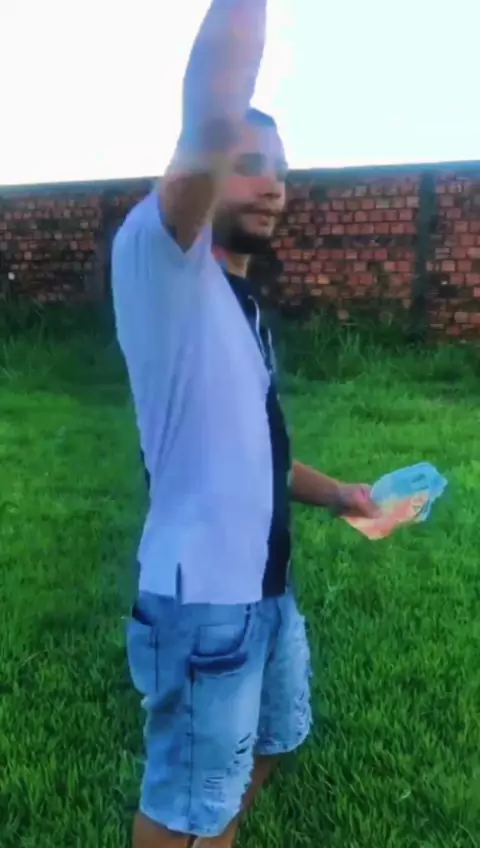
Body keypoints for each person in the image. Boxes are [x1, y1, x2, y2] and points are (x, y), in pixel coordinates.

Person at [111, 1, 377, 846]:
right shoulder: (163, 263)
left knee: (271, 745)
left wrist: (341, 495)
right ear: (201, 165)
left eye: (282, 170)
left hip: (266, 589)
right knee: (184, 802)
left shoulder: (240, 303)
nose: (274, 185)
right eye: (249, 163)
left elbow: (258, 451)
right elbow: (214, 99)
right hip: (203, 601)